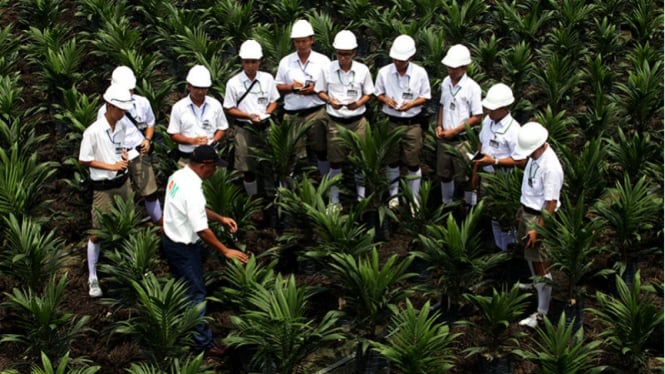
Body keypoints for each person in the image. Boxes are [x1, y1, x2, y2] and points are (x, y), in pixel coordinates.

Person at [161, 144, 249, 355]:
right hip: (183, 247)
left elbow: (194, 210)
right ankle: (203, 343)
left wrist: (220, 218)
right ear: (204, 166)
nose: (216, 171)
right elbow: (201, 229)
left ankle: (185, 324)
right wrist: (225, 250)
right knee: (197, 293)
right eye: (214, 166)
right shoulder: (192, 190)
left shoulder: (179, 176)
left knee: (185, 287)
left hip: (169, 239)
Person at [79, 84, 134, 298]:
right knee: (97, 232)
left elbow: (119, 148)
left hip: (122, 182)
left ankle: (129, 264)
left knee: (127, 222)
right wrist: (109, 166)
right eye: (120, 109)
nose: (123, 114)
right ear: (110, 106)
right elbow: (83, 159)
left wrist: (123, 158)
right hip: (103, 187)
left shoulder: (121, 126)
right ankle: (93, 276)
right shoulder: (92, 131)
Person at [315, 30, 374, 210]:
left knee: (360, 159)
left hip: (358, 120)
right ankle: (334, 200)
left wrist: (359, 103)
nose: (343, 58)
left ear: (354, 53)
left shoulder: (362, 70)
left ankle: (360, 196)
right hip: (335, 120)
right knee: (335, 160)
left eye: (347, 54)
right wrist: (329, 100)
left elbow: (369, 93)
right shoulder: (327, 69)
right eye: (340, 54)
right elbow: (320, 90)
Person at [512, 122, 563, 328]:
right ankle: (536, 285)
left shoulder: (551, 167)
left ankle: (542, 312)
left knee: (540, 263)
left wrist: (538, 228)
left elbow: (551, 203)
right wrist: (522, 208)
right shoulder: (536, 157)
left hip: (539, 217)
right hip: (529, 213)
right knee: (531, 258)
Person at [97, 66, 163, 225]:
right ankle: (129, 226)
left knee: (150, 191)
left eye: (131, 90)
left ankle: (159, 223)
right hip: (119, 158)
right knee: (124, 196)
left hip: (139, 152)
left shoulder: (142, 103)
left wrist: (147, 139)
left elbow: (150, 123)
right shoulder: (103, 112)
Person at [374, 34, 431, 211]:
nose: (398, 63)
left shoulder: (419, 73)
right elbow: (378, 93)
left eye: (401, 60)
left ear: (410, 58)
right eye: (395, 59)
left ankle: (414, 199)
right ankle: (394, 196)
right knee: (392, 160)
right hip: (391, 121)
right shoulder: (384, 72)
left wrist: (411, 104)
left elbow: (425, 96)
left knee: (413, 161)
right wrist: (386, 101)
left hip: (412, 123)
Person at [223, 40, 279, 206]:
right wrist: (248, 116)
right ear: (241, 62)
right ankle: (253, 200)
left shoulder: (267, 79)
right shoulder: (234, 83)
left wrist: (266, 113)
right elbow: (229, 108)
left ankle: (271, 196)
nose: (250, 65)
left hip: (265, 126)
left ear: (260, 62)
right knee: (247, 166)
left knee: (269, 162)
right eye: (247, 62)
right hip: (245, 128)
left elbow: (274, 100)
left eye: (253, 61)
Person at [471, 83, 525, 250]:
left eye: (493, 109)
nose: (489, 111)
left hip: (503, 181)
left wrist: (494, 161)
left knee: (504, 217)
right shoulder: (488, 121)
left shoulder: (514, 130)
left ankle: (509, 248)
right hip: (487, 175)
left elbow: (521, 161)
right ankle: (499, 247)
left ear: (504, 108)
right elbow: (481, 145)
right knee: (492, 215)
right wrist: (475, 173)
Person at [275, 19, 331, 176]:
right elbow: (277, 86)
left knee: (321, 150)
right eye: (297, 41)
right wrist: (292, 88)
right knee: (292, 152)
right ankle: (292, 187)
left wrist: (314, 90)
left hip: (316, 112)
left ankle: (325, 181)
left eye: (304, 41)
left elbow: (331, 87)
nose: (301, 45)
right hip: (292, 114)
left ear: (311, 40)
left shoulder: (323, 61)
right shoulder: (286, 62)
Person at [435, 44, 483, 205]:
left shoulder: (472, 88)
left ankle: (470, 207)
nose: (450, 71)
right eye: (449, 67)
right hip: (445, 137)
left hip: (462, 140)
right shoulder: (445, 82)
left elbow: (477, 117)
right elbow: (443, 104)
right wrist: (439, 125)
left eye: (454, 68)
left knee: (465, 176)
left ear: (464, 67)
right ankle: (446, 203)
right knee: (444, 173)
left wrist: (454, 131)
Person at [167, 65, 228, 167]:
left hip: (210, 155)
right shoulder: (179, 107)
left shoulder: (215, 104)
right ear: (189, 86)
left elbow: (222, 128)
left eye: (203, 88)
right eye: (196, 88)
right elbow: (173, 134)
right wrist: (192, 141)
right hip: (187, 157)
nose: (200, 92)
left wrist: (214, 141)